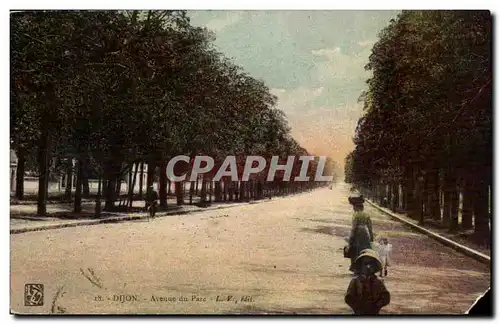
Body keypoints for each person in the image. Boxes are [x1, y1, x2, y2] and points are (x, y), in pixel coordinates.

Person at [345, 249, 391, 315]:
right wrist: (357, 307)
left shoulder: (378, 282)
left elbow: (386, 297)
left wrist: (377, 306)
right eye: (365, 264)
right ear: (360, 266)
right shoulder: (355, 281)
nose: (368, 266)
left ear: (375, 266)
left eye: (371, 264)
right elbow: (348, 298)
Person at [347, 194, 374, 273]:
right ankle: (364, 267)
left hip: (357, 233)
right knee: (365, 250)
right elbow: (370, 228)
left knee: (355, 250)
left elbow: (353, 228)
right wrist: (371, 237)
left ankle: (356, 268)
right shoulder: (367, 215)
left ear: (357, 207)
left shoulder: (356, 215)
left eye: (354, 207)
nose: (353, 209)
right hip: (365, 234)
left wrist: (351, 238)